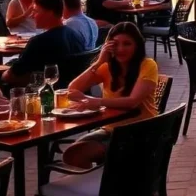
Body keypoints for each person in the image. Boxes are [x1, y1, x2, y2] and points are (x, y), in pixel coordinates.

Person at [61, 22, 159, 168]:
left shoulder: (147, 65)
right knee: (71, 154)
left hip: (140, 131)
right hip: (110, 129)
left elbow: (132, 102)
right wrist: (99, 61)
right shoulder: (107, 67)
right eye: (115, 44)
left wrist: (96, 101)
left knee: (78, 153)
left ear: (137, 46)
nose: (120, 49)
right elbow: (72, 88)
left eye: (127, 44)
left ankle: (108, 186)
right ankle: (102, 185)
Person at [2, 0, 84, 87]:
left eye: (36, 11)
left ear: (50, 13)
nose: (32, 16)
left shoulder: (39, 42)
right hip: (69, 89)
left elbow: (11, 76)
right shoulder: (76, 36)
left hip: (44, 93)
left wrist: (2, 73)